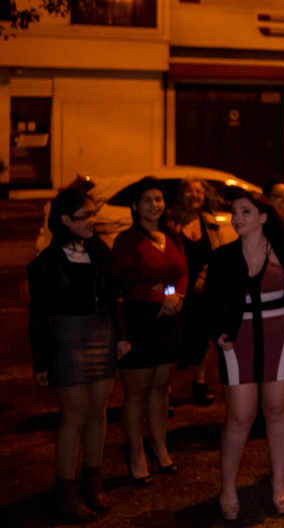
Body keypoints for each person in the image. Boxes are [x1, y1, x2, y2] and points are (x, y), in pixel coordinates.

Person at [205, 191, 284, 520]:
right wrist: (217, 332)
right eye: (234, 212)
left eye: (245, 211)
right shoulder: (223, 257)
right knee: (240, 416)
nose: (237, 218)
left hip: (280, 336)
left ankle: (279, 481)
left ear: (263, 217)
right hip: (238, 339)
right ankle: (228, 486)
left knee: (278, 409)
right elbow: (210, 304)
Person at [27, 188, 130, 521]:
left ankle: (92, 483)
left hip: (103, 330)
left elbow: (117, 293)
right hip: (68, 336)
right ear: (65, 221)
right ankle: (66, 493)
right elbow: (38, 315)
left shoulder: (97, 252)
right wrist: (41, 360)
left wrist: (123, 336)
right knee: (74, 414)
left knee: (98, 412)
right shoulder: (45, 264)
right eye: (85, 216)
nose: (93, 221)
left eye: (93, 215)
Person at [110, 176, 188, 485]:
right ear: (134, 206)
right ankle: (136, 454)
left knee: (161, 389)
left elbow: (182, 270)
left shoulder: (171, 235)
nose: (154, 205)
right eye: (147, 200)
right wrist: (159, 298)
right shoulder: (127, 240)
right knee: (137, 392)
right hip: (140, 320)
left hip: (170, 320)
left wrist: (177, 297)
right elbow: (123, 284)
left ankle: (160, 446)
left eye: (158, 199)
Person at [172, 177, 233, 406]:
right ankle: (166, 391)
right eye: (189, 191)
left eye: (199, 192)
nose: (194, 195)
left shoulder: (211, 224)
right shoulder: (171, 222)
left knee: (201, 337)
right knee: (176, 337)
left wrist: (204, 278)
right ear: (181, 195)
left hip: (202, 291)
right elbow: (167, 261)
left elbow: (217, 256)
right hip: (176, 291)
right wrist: (171, 291)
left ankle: (199, 383)